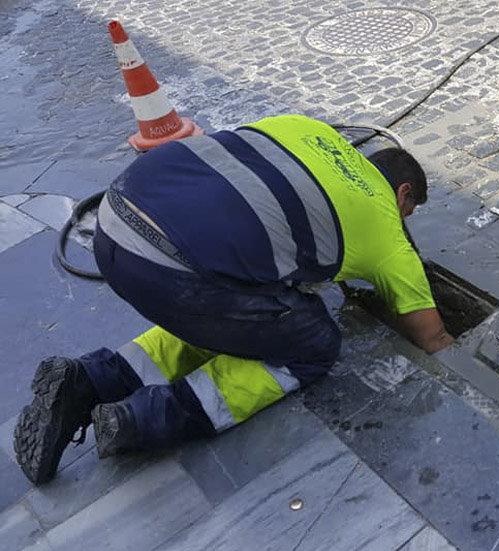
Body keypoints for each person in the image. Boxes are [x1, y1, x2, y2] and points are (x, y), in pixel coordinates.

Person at [13, 114, 453, 485]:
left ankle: (87, 380)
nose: (404, 224)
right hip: (171, 268)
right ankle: (142, 419)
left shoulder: (306, 127)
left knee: (247, 309)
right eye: (408, 215)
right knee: (314, 340)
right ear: (402, 194)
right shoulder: (387, 233)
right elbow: (431, 336)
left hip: (115, 220)